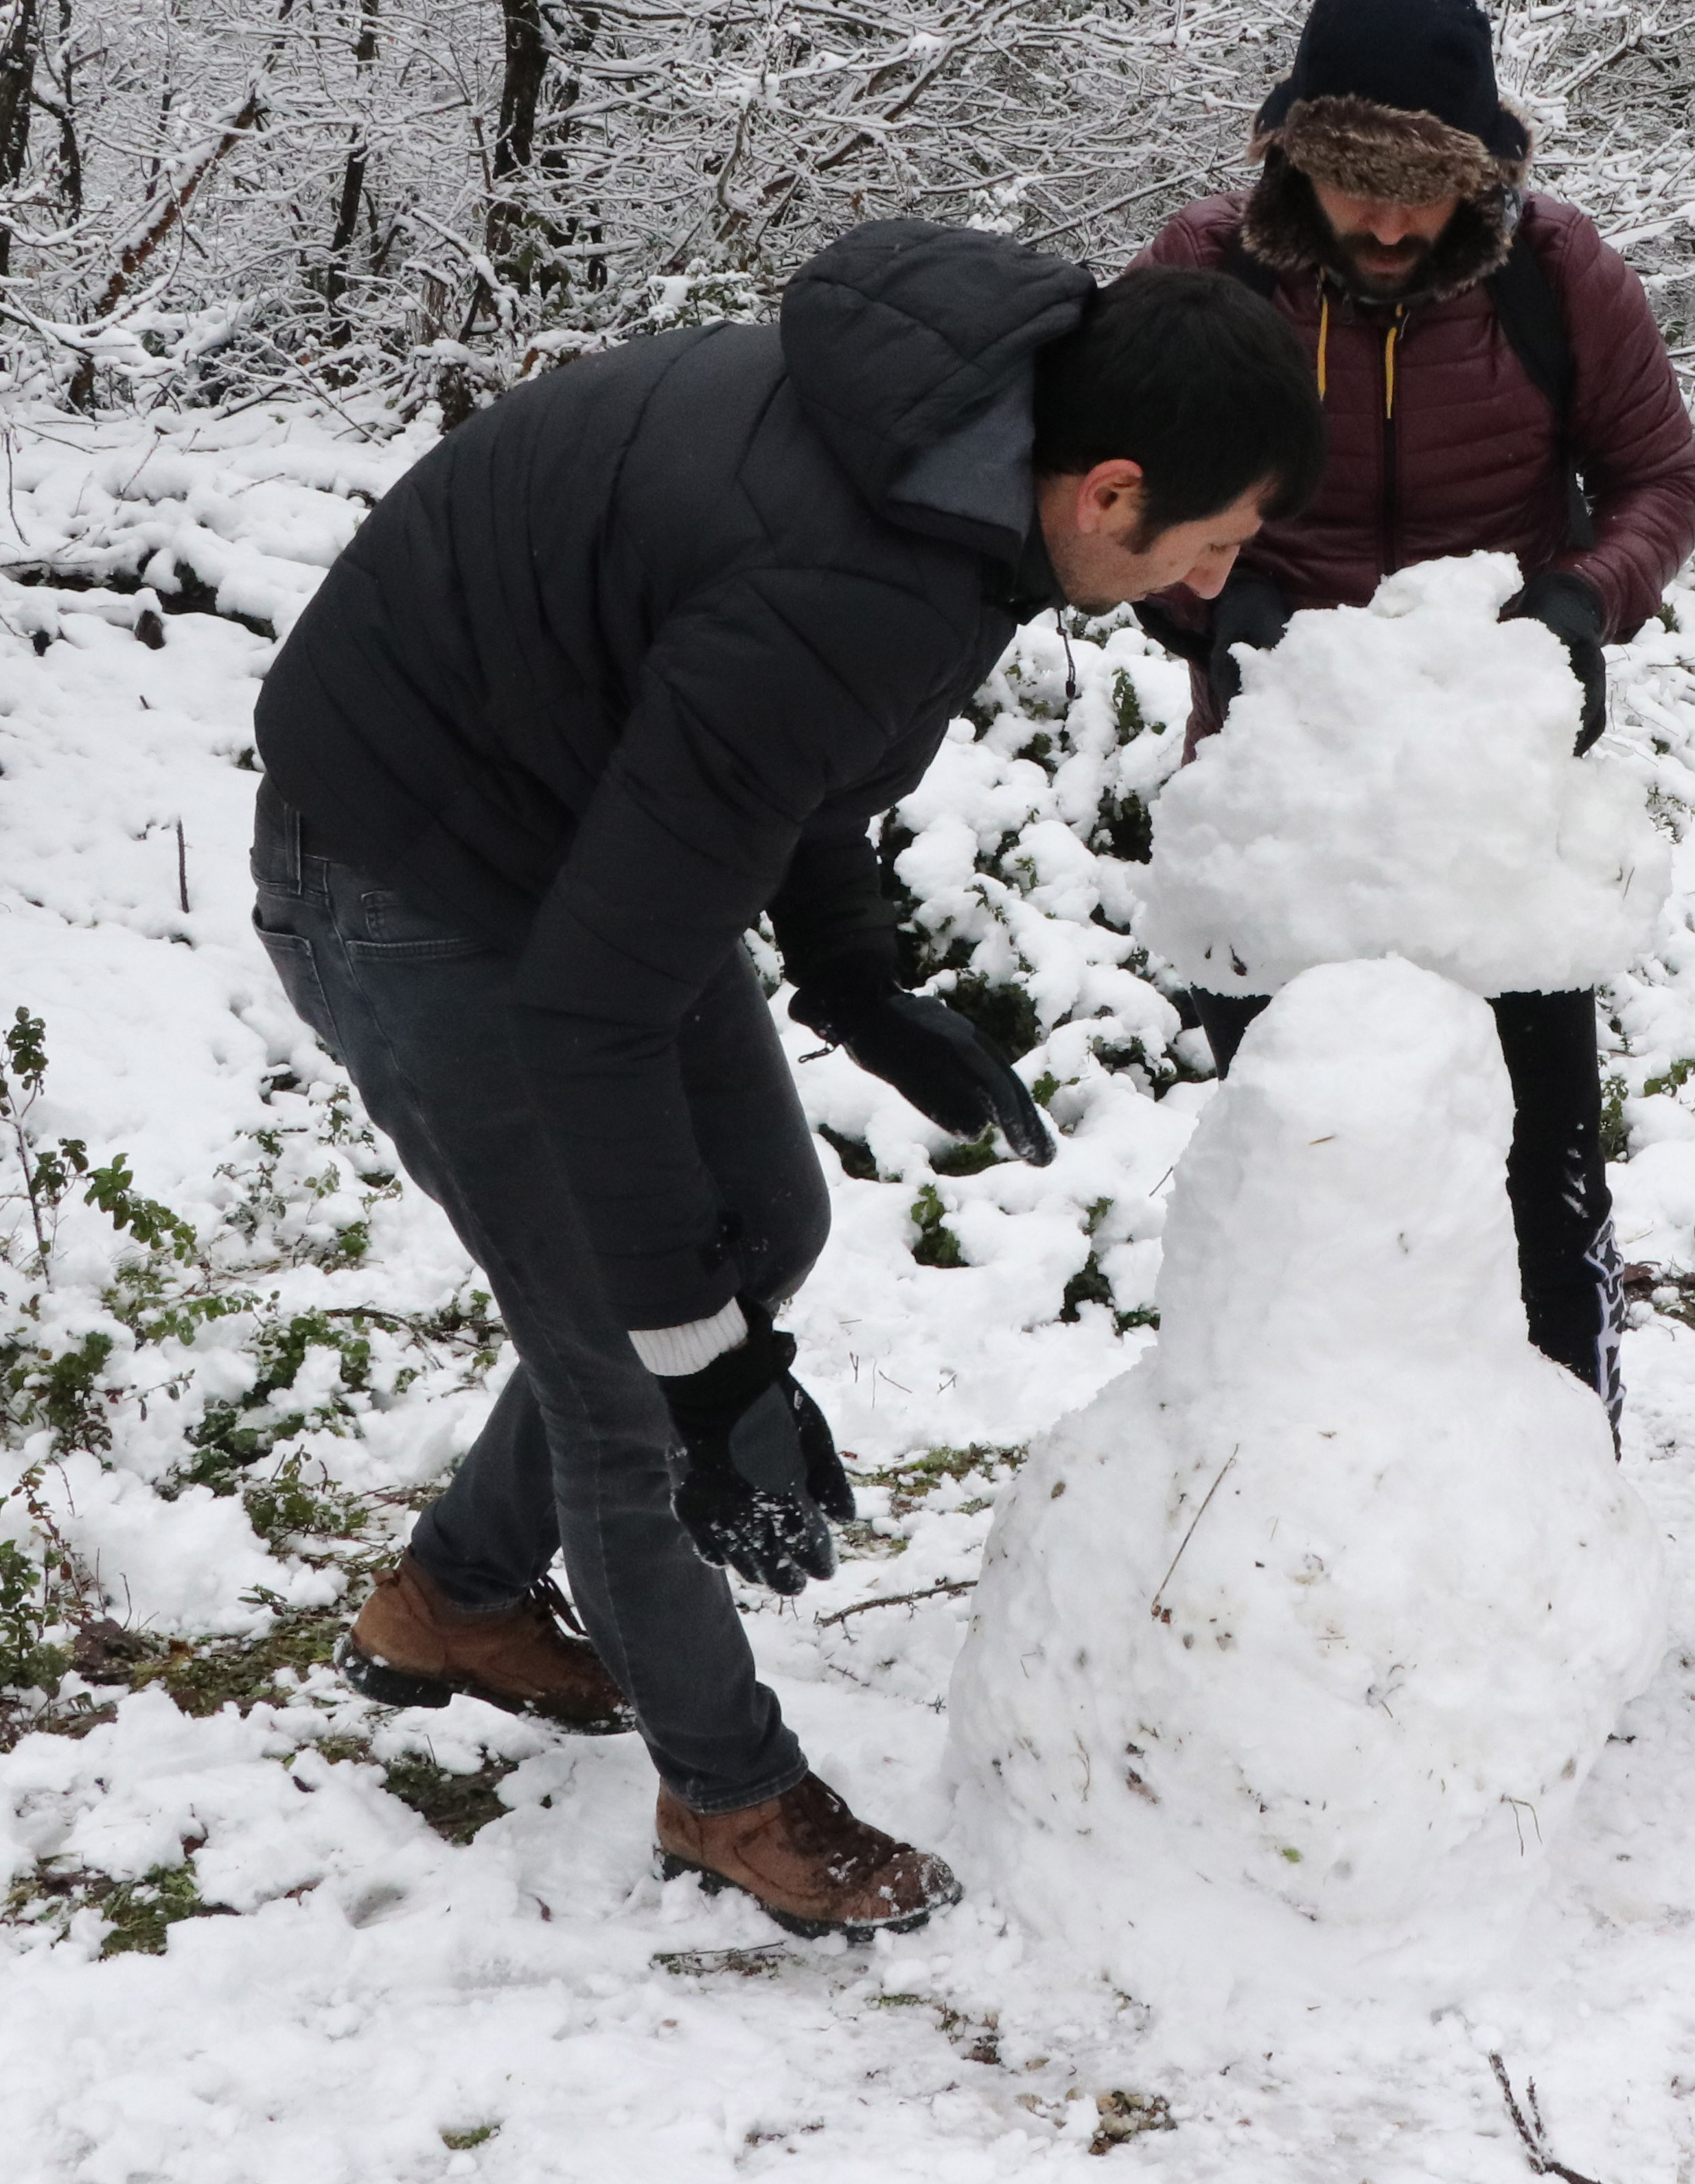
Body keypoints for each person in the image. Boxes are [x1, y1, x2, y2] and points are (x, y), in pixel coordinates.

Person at [249, 222, 1322, 1938]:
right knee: (625, 1370)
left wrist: (860, 977)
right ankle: (730, 1793)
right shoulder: (867, 565)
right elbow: (595, 1010)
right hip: (406, 867)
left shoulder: (967, 468)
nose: (1212, 578)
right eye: (1212, 540)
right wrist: (709, 1377)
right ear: (1112, 489)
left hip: (562, 826)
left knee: (766, 1215)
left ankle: (451, 1596)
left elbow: (791, 755)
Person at [1130, 0, 1695, 1427]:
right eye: (1350, 190)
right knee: (1304, 1152)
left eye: (1421, 197)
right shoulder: (1207, 272)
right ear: (1291, 162)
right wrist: (1219, 602)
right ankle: (1291, 1488)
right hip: (1285, 780)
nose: (1386, 228)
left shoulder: (1559, 275)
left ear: (1480, 177)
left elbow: (1662, 480)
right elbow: (1120, 487)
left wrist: (1586, 601)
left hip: (1493, 794)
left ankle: (1569, 1470)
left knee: (1541, 1155)